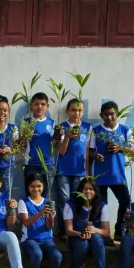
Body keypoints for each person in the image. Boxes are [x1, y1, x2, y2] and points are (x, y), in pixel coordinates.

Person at [91, 101, 134, 241]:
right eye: (106, 114)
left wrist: (120, 148)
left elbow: (133, 151)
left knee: (125, 201)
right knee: (101, 205)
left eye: (112, 114)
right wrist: (95, 156)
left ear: (117, 114)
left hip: (118, 176)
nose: (109, 117)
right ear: (101, 115)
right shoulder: (96, 131)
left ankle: (119, 230)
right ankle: (104, 234)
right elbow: (90, 152)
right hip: (100, 176)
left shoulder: (124, 130)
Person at [63, 177, 111, 268]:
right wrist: (80, 234)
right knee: (82, 243)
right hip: (76, 237)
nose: (88, 192)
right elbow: (68, 230)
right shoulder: (71, 205)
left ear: (95, 191)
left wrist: (95, 230)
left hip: (96, 237)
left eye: (91, 189)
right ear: (80, 190)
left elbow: (106, 232)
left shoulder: (102, 205)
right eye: (85, 189)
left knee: (96, 238)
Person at [18, 173, 63, 268]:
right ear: (28, 187)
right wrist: (41, 213)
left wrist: (51, 218)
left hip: (46, 238)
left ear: (43, 187)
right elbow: (26, 223)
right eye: (32, 186)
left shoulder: (48, 202)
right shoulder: (23, 202)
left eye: (39, 186)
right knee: (37, 253)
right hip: (29, 239)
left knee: (57, 255)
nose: (36, 189)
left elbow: (49, 227)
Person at [56, 98, 91, 237]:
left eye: (79, 110)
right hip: (63, 170)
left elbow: (87, 151)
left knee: (78, 200)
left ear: (83, 112)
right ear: (67, 111)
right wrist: (67, 137)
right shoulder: (61, 127)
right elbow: (61, 151)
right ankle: (63, 231)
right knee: (64, 201)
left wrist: (87, 172)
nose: (76, 113)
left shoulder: (87, 128)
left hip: (79, 172)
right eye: (73, 110)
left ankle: (76, 229)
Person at [22, 92, 58, 180]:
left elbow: (54, 144)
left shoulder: (52, 123)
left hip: (48, 164)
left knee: (46, 193)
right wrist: (24, 137)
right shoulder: (26, 122)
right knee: (31, 192)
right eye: (36, 104)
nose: (39, 107)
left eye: (43, 104)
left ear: (47, 106)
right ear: (31, 105)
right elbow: (23, 145)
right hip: (31, 164)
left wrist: (57, 136)